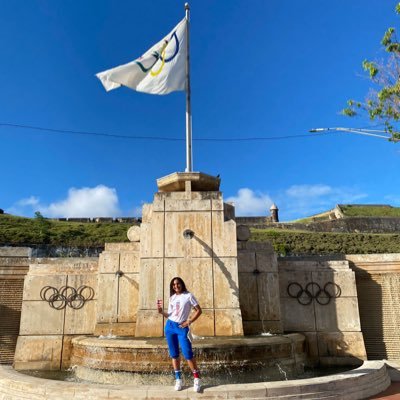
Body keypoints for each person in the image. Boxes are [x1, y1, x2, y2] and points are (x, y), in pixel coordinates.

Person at [157, 277, 202, 392]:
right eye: (173, 285)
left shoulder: (188, 296)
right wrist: (161, 312)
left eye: (177, 284)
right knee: (174, 355)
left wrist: (189, 321)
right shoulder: (172, 297)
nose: (176, 286)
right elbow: (170, 314)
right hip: (170, 327)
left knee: (188, 354)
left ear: (182, 284)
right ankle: (178, 379)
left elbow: (199, 310)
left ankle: (197, 379)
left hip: (182, 328)